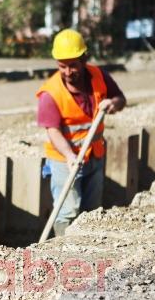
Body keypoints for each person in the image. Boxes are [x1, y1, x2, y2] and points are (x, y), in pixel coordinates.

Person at [36, 29, 127, 236]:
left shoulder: (99, 76)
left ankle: (88, 247)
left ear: (84, 59)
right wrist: (69, 155)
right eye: (62, 66)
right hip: (65, 159)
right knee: (67, 212)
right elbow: (53, 131)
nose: (68, 72)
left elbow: (121, 99)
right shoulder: (50, 94)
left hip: (94, 154)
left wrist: (114, 104)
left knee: (92, 211)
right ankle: (62, 248)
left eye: (73, 65)